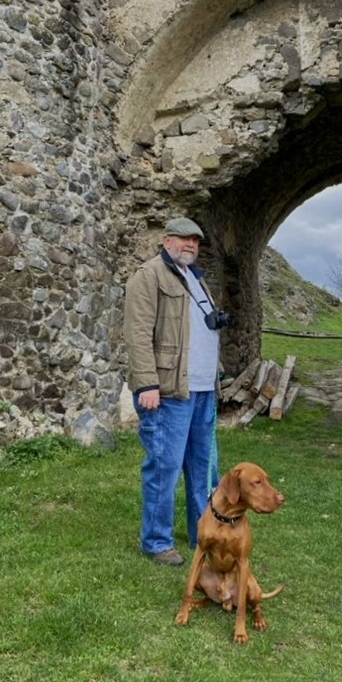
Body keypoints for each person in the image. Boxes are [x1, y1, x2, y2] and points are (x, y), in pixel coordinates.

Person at [124, 216, 222, 565]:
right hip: (167, 390)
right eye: (183, 238)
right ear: (166, 240)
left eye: (195, 240)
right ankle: (156, 541)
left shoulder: (195, 278)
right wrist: (146, 383)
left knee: (204, 467)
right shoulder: (148, 275)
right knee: (164, 467)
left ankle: (203, 533)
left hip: (203, 390)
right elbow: (137, 332)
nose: (190, 245)